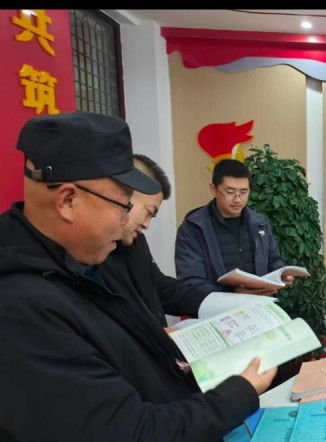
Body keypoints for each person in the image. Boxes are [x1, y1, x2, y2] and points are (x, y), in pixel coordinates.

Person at [0, 112, 276, 441]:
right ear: (68, 201)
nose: (127, 223)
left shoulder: (87, 260)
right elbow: (128, 431)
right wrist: (238, 393)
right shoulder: (22, 309)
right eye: (123, 205)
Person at [101, 154, 209, 327]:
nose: (147, 224)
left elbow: (160, 288)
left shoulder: (136, 242)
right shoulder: (91, 252)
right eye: (148, 212)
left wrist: (226, 302)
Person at [175, 159, 289, 295]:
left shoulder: (259, 222)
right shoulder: (193, 229)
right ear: (213, 189)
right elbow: (191, 283)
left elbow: (273, 259)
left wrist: (279, 274)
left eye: (243, 192)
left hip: (260, 302)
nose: (237, 199)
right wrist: (234, 294)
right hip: (217, 306)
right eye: (230, 192)